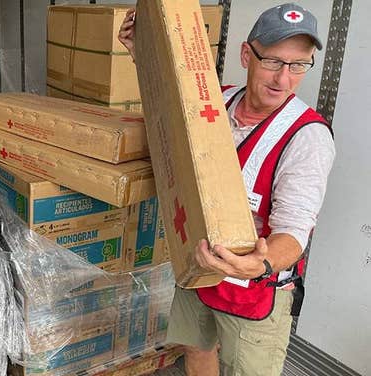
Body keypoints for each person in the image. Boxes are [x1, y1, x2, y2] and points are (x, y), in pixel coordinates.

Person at [118, 3, 335, 375]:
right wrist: (143, 52)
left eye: (298, 65)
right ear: (246, 55)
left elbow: (295, 229)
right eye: (272, 61)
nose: (283, 79)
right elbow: (170, 107)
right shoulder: (218, 100)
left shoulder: (308, 138)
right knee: (197, 349)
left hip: (253, 289)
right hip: (200, 267)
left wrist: (260, 263)